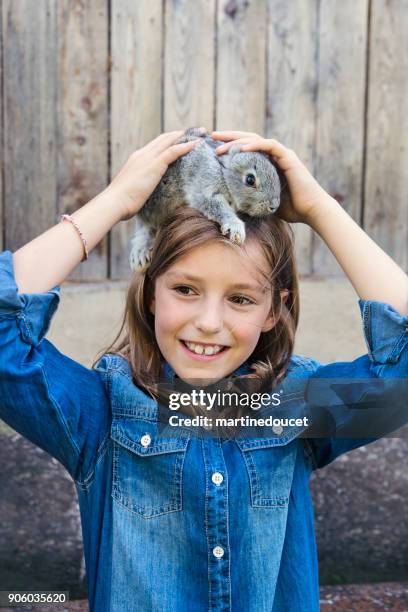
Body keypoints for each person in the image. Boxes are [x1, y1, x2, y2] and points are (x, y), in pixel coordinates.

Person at [0, 129, 407, 612]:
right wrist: (116, 201)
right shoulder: (102, 418)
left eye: (240, 298)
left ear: (275, 310)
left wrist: (320, 209)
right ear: (152, 294)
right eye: (186, 290)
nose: (209, 324)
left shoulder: (295, 407)